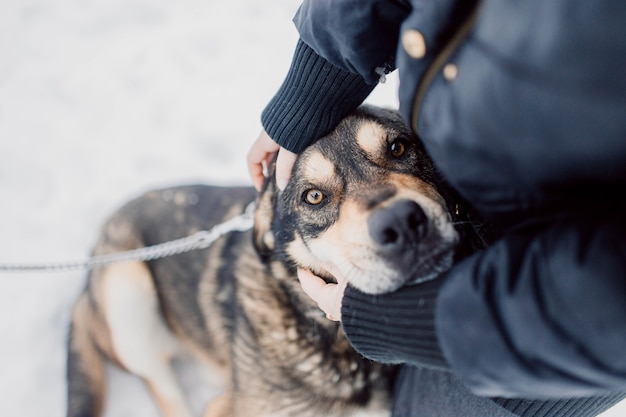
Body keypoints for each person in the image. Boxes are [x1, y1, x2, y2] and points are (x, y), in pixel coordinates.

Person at [247, 1, 626, 415]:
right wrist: (309, 93)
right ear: (268, 232)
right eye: (315, 197)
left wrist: (392, 319)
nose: (391, 213)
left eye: (395, 149)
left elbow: (605, 308)